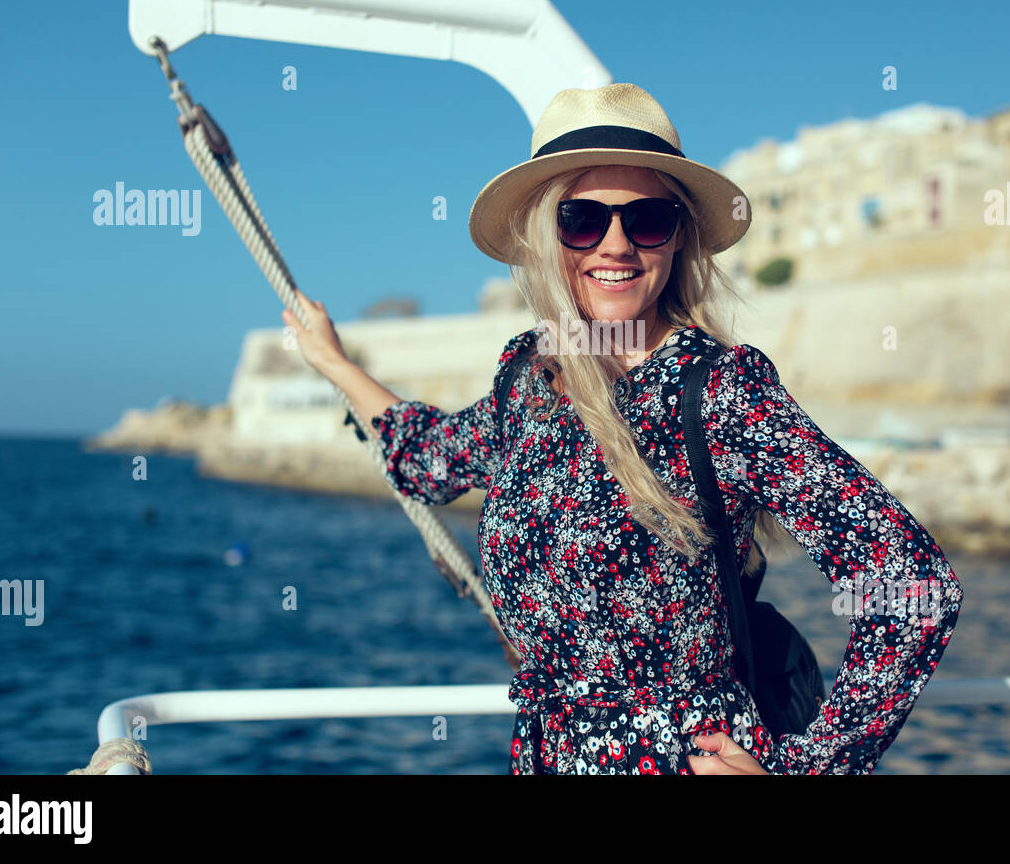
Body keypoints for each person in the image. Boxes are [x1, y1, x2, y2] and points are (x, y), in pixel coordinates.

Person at [283, 82, 963, 774]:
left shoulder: (722, 391)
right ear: (545, 236)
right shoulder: (529, 382)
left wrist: (808, 767)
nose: (616, 244)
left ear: (678, 238)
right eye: (582, 219)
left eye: (647, 220)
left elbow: (911, 584)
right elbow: (429, 457)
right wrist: (336, 364)